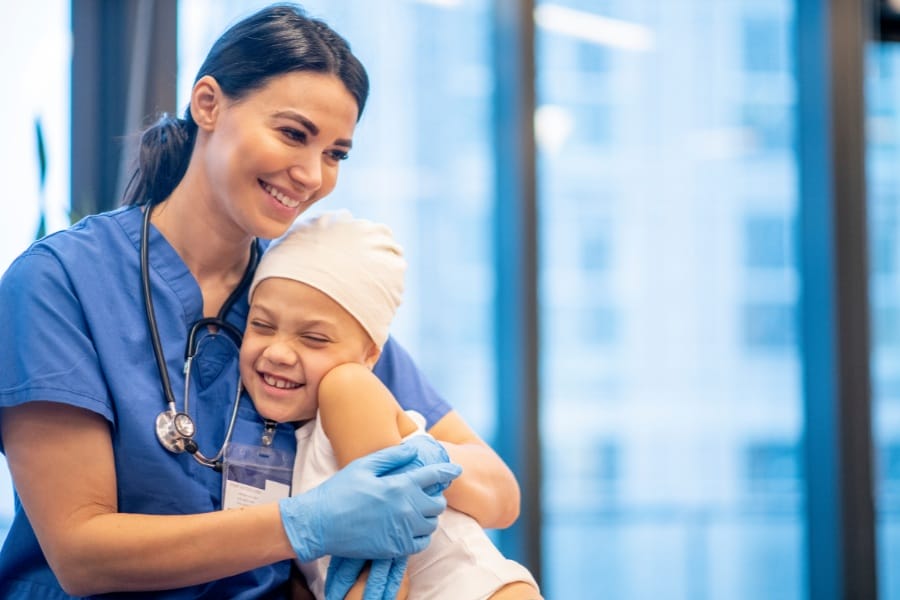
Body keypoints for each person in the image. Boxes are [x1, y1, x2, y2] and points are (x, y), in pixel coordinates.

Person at [0, 4, 519, 598]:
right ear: (208, 104)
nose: (311, 174)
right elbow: (81, 553)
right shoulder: (60, 284)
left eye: (335, 153)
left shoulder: (304, 297)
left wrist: (408, 459)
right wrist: (307, 522)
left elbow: (498, 491)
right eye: (293, 134)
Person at [240, 210, 541, 600]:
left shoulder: (347, 389)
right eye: (261, 325)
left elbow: (387, 554)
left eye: (314, 338)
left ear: (370, 356)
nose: (278, 352)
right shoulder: (300, 436)